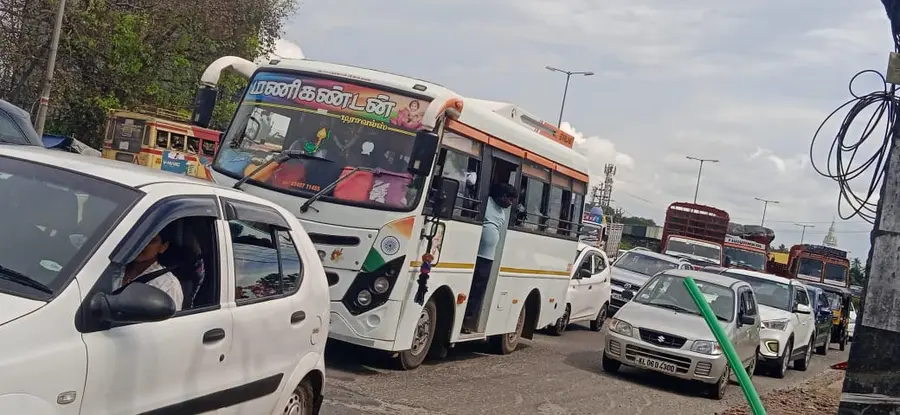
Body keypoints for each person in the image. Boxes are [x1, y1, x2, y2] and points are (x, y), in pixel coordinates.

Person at [463, 183, 518, 331]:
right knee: (469, 288)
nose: (510, 203)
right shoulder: (485, 202)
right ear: (502, 196)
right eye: (509, 199)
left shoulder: (502, 211)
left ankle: (467, 321)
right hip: (476, 255)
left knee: (477, 292)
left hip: (488, 258)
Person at [115, 226, 184, 311]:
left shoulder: (168, 284)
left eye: (150, 241)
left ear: (163, 247)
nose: (141, 244)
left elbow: (169, 323)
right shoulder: (112, 269)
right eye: (138, 238)